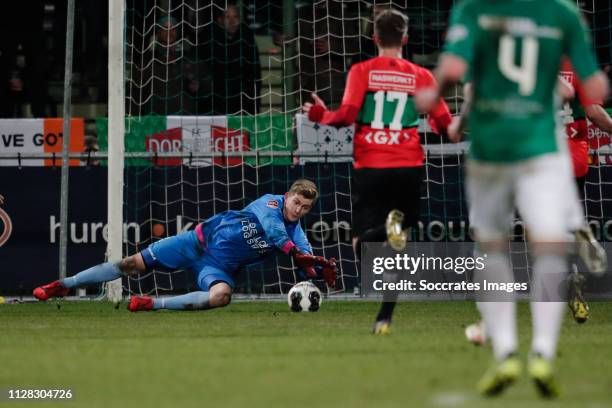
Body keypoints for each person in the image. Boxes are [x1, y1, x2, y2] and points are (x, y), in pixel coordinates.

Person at [432, 0, 609, 398]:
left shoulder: (475, 12)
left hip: (494, 151)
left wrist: (455, 117)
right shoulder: (561, 18)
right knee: (547, 243)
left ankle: (504, 345)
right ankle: (545, 343)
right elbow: (592, 91)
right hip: (553, 154)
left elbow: (459, 76)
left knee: (492, 247)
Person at [302, 9, 451, 334]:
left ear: (374, 38)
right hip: (408, 165)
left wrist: (318, 113)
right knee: (398, 244)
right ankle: (384, 317)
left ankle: (378, 236)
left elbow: (346, 116)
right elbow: (445, 125)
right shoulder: (422, 76)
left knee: (360, 241)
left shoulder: (362, 71)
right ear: (406, 39)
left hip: (372, 165)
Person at [33, 180, 337, 311]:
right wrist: (299, 255)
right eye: (297, 203)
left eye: (306, 208)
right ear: (287, 196)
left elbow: (303, 256)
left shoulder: (297, 232)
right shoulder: (269, 203)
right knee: (129, 264)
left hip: (218, 267)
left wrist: (315, 271)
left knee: (221, 297)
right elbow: (274, 233)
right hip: (195, 243)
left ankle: (152, 304)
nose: (299, 210)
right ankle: (63, 284)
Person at [204, 3, 261, 115]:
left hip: (243, 102)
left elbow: (255, 74)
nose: (232, 21)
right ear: (219, 20)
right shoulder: (210, 39)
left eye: (235, 17)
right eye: (227, 17)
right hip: (217, 102)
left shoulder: (247, 39)